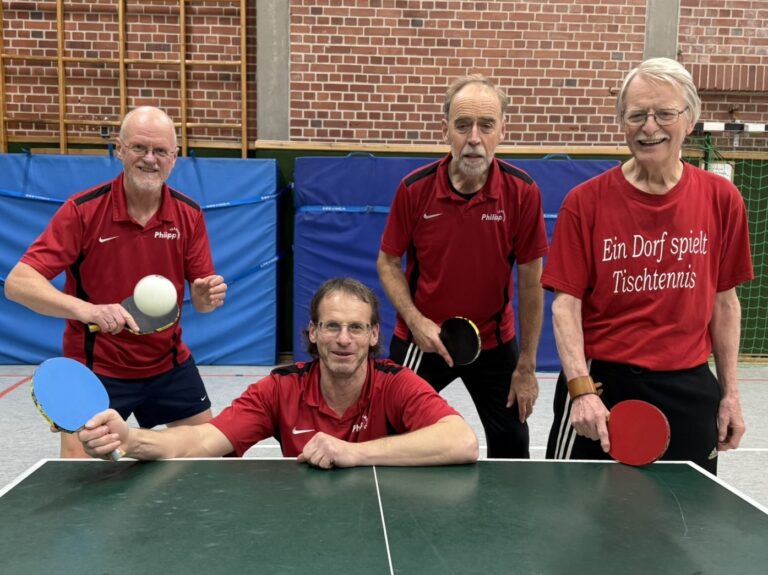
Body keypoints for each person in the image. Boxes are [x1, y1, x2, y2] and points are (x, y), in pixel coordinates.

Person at [543, 58, 754, 474]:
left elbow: (725, 303)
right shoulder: (584, 203)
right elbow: (565, 306)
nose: (649, 126)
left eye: (664, 114)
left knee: (687, 509)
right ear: (622, 122)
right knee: (573, 508)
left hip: (689, 386)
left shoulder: (722, 199)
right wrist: (581, 390)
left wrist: (731, 394)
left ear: (689, 120)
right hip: (602, 386)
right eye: (636, 114)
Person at [4, 106, 227, 458]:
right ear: (120, 150)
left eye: (160, 151)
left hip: (167, 364)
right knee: (77, 474)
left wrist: (205, 297)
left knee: (214, 457)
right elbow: (18, 282)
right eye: (139, 147)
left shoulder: (189, 214)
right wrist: (88, 311)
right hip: (96, 369)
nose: (150, 159)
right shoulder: (82, 211)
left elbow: (202, 303)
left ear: (174, 158)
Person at [78, 278, 479, 468]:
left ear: (374, 335)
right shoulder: (280, 389)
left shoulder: (395, 382)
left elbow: (462, 441)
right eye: (332, 326)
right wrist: (130, 439)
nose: (344, 339)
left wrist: (353, 452)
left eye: (356, 328)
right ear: (313, 332)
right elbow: (202, 439)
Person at [377, 75, 549, 458]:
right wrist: (415, 321)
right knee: (388, 433)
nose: (474, 138)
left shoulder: (523, 193)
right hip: (424, 340)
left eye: (486, 125)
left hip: (494, 342)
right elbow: (387, 262)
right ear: (446, 131)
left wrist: (526, 366)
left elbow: (531, 283)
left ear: (502, 131)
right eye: (462, 125)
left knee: (514, 449)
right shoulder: (414, 189)